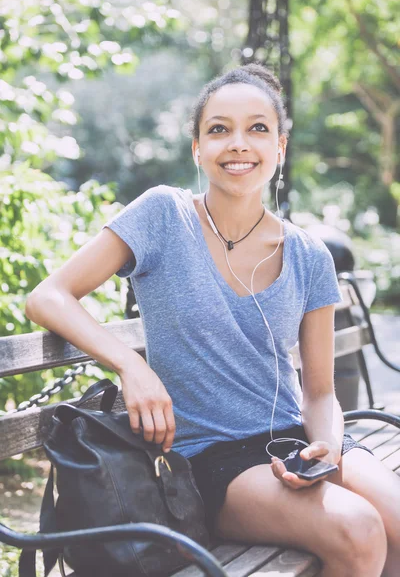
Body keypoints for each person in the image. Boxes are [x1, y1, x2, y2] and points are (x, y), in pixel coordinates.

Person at [25, 64, 400, 577]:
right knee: (358, 530)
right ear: (198, 148)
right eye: (219, 129)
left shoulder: (310, 255)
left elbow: (318, 392)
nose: (238, 144)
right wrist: (132, 368)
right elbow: (49, 296)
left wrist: (326, 452)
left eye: (258, 128)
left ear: (281, 149)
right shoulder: (163, 216)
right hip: (210, 462)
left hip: (297, 441)